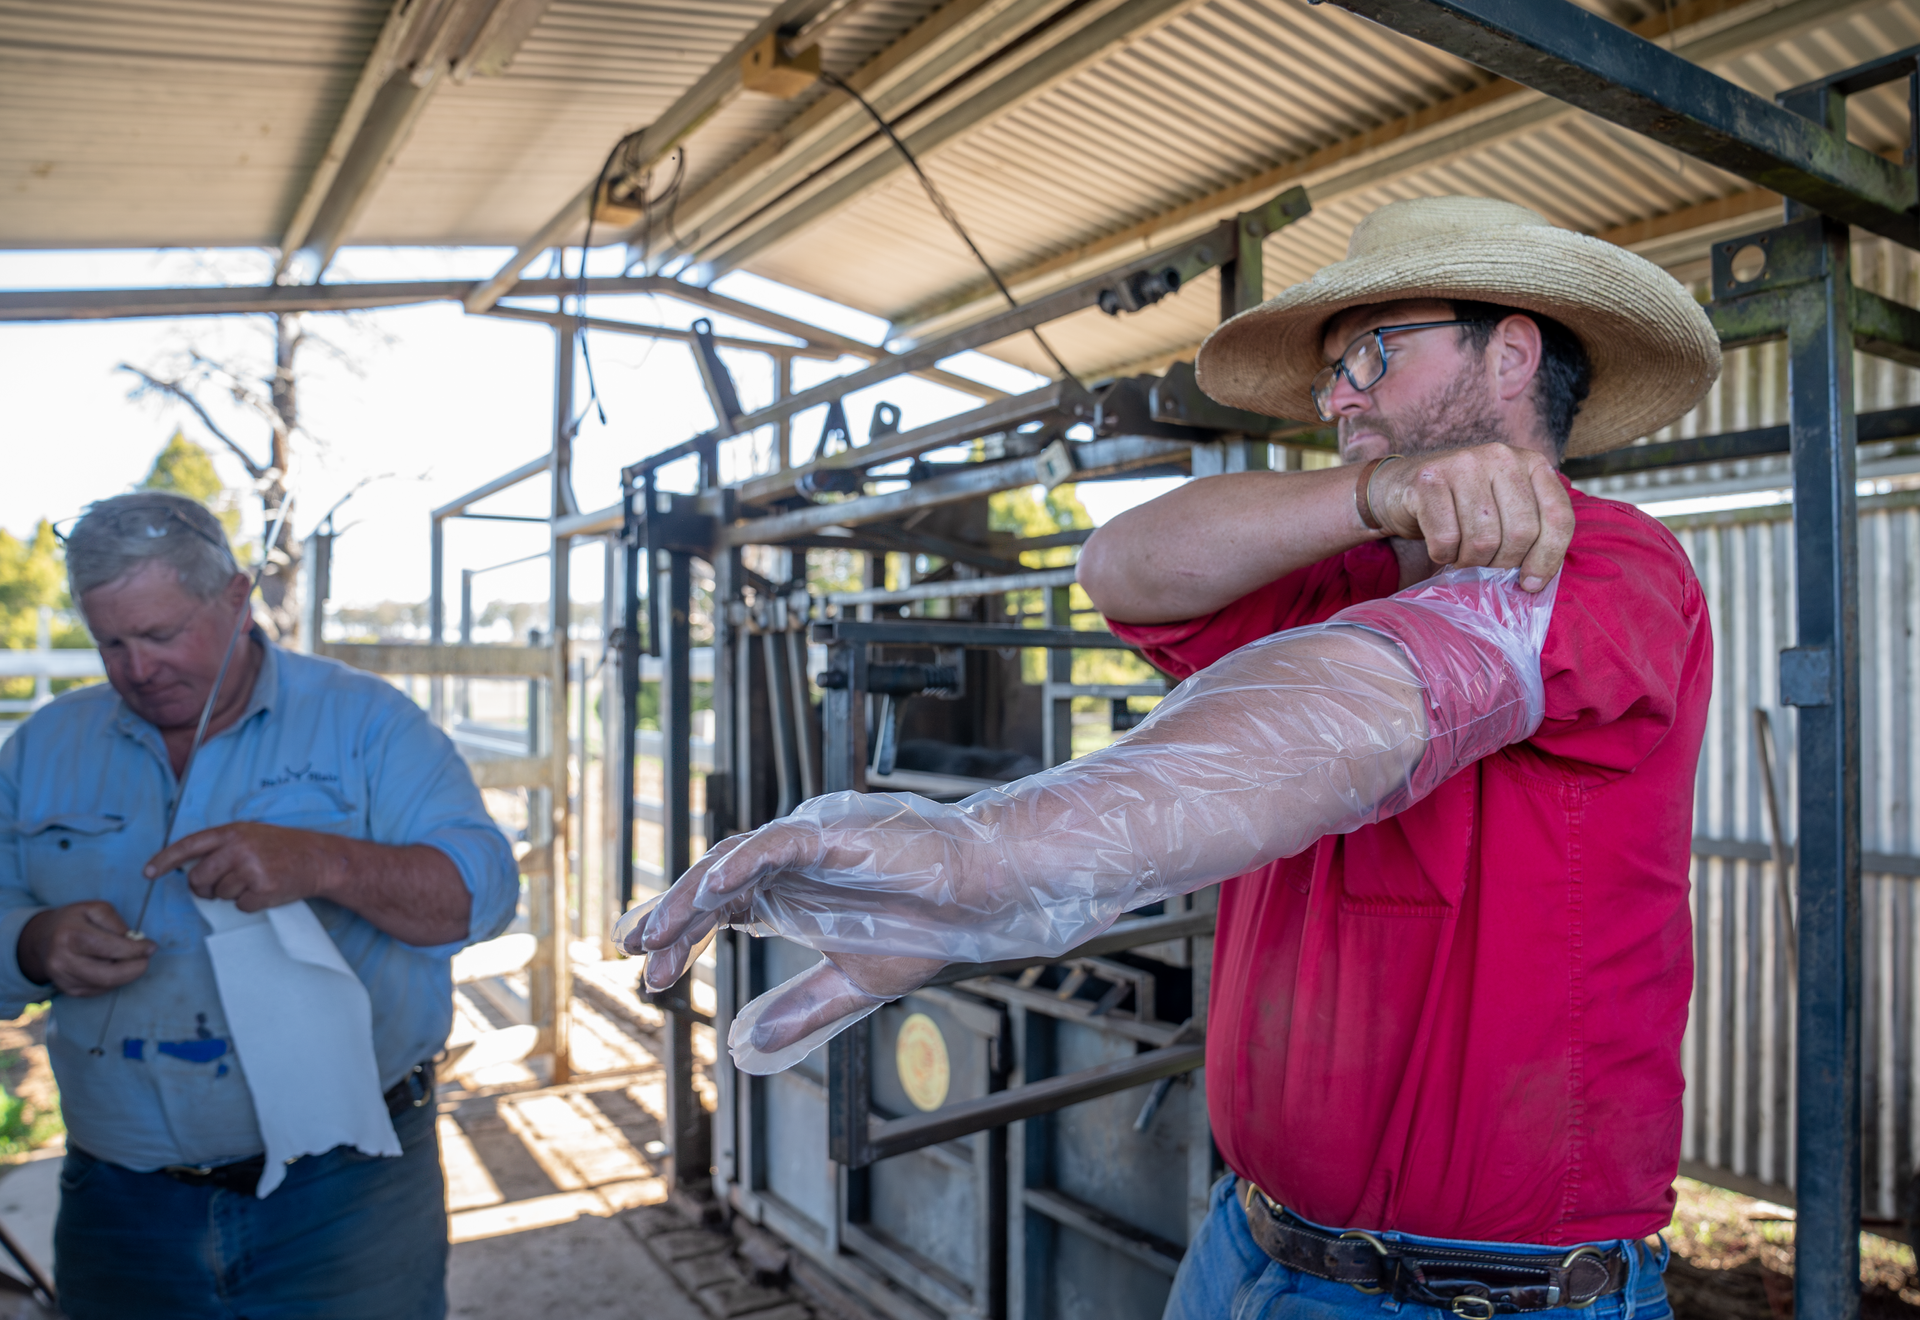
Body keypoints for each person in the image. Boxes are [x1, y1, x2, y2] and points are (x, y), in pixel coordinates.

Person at [632, 196, 1719, 1320]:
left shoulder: (1613, 567)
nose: (1339, 392)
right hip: (1250, 1243)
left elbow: (1348, 716)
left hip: (1475, 1294)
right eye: (1331, 372)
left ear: (1512, 351)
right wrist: (1368, 494)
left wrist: (982, 866)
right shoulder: (1334, 577)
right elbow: (1122, 566)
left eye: (1373, 352)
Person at [0, 492, 519, 1319]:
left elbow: (478, 896)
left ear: (237, 599)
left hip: (347, 1193)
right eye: (112, 643)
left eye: (163, 634)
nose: (139, 669)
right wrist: (31, 943)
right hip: (122, 1196)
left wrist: (325, 861)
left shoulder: (366, 723)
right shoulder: (42, 750)